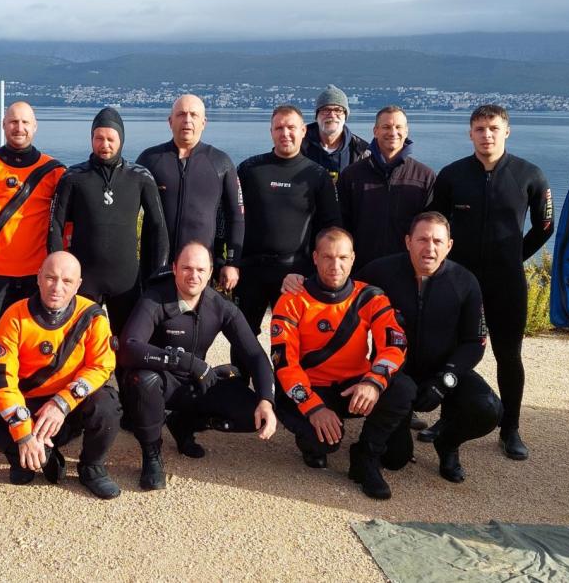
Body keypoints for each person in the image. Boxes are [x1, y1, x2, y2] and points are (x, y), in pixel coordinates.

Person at [428, 104, 553, 460]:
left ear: (506, 131)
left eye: (493, 128)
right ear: (470, 133)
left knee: (508, 355)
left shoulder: (530, 175)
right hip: (460, 282)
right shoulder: (452, 175)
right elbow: (436, 222)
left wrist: (515, 256)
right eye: (480, 129)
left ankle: (510, 428)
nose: (487, 135)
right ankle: (447, 419)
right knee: (452, 352)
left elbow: (545, 226)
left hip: (506, 283)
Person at [119, 242, 277, 490]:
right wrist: (184, 361)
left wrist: (267, 400)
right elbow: (128, 348)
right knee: (144, 379)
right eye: (187, 268)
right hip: (161, 382)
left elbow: (255, 354)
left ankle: (184, 424)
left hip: (195, 383)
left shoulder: (220, 306)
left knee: (253, 412)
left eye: (201, 270)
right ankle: (152, 454)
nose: (194, 275)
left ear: (211, 272)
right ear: (174, 268)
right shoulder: (155, 298)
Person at [356, 213, 502, 482]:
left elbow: (475, 342)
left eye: (437, 241)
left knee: (488, 409)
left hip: (442, 370)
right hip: (396, 374)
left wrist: (445, 380)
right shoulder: (380, 272)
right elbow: (338, 290)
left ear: (449, 246)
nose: (430, 248)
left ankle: (447, 442)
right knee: (395, 459)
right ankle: (392, 428)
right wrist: (298, 282)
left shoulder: (465, 282)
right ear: (408, 241)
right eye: (422, 239)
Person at [270, 228, 414, 500]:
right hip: (313, 388)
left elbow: (394, 345)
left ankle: (366, 455)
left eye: (343, 258)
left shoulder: (370, 297)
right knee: (322, 444)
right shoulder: (292, 299)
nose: (335, 266)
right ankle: (311, 442)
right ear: (315, 258)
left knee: (403, 389)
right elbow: (285, 363)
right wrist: (313, 408)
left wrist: (374, 381)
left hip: (355, 387)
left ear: (353, 259)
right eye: (327, 257)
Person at [0, 251, 121, 499]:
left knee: (107, 405)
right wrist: (24, 434)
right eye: (50, 278)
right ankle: (37, 455)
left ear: (78, 285)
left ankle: (92, 467)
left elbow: (102, 366)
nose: (57, 287)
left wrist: (62, 402)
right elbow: (1, 379)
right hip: (29, 406)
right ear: (39, 277)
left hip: (69, 406)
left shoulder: (92, 316)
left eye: (67, 281)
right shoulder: (15, 316)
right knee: (0, 427)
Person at [48, 106, 168, 338]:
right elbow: (55, 226)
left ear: (121, 140)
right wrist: (57, 272)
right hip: (84, 279)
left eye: (111, 139)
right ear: (91, 139)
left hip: (126, 281)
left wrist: (158, 273)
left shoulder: (140, 177)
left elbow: (158, 227)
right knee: (78, 342)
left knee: (128, 343)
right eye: (99, 138)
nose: (105, 145)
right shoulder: (73, 177)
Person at [0, 101, 65, 367]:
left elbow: (67, 223)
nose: (19, 128)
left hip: (38, 273)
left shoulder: (55, 171)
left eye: (25, 122)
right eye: (13, 122)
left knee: (35, 340)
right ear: (4, 125)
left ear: (35, 126)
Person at [236, 105, 341, 354]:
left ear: (303, 131)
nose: (285, 133)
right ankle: (241, 379)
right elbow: (230, 215)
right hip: (251, 270)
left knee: (290, 339)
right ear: (271, 132)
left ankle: (285, 381)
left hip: (295, 273)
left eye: (291, 127)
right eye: (279, 128)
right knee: (242, 338)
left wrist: (321, 270)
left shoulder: (316, 175)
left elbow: (330, 228)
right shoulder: (250, 169)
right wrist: (226, 261)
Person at [135, 94, 243, 292]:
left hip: (199, 269)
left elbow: (235, 216)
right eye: (181, 114)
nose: (187, 120)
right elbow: (127, 210)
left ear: (204, 122)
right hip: (155, 266)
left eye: (194, 115)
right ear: (170, 121)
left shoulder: (220, 162)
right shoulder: (150, 160)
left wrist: (232, 262)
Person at [337, 106, 436, 270]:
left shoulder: (424, 177)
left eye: (398, 127)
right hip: (362, 269)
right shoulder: (351, 175)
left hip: (408, 270)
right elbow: (341, 226)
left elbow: (430, 230)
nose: (393, 132)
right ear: (375, 131)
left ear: (406, 131)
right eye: (386, 127)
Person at [299, 84, 369, 180]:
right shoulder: (298, 145)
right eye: (326, 110)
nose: (332, 115)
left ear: (345, 116)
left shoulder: (360, 150)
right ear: (316, 116)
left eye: (338, 110)